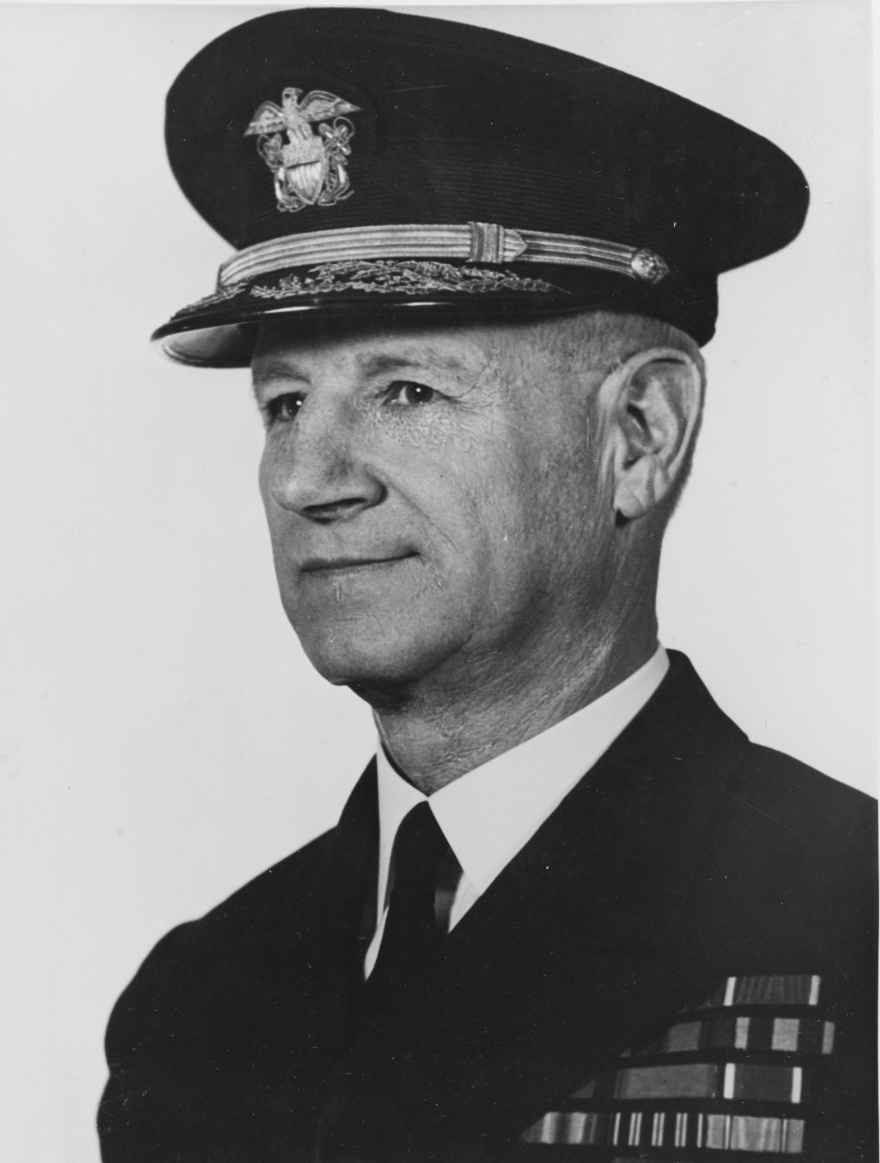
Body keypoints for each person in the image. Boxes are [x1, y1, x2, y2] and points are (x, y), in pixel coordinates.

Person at [97, 8, 876, 1161]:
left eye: (407, 390)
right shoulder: (195, 996)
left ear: (640, 434)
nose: (308, 478)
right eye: (284, 403)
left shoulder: (851, 925)